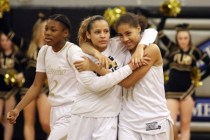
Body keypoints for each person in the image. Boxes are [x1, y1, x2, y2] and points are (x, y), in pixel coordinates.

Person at [67, 14, 158, 140]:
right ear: (88, 35)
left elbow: (150, 31)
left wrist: (140, 47)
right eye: (97, 32)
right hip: (84, 114)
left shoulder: (117, 44)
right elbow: (97, 85)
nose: (103, 35)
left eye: (106, 31)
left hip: (110, 116)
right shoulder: (80, 56)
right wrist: (130, 67)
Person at [157, 19, 210, 140]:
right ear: (177, 39)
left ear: (189, 38)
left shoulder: (196, 51)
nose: (183, 41)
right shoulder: (172, 49)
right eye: (180, 38)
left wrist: (200, 77)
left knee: (185, 126)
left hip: (188, 91)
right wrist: (164, 17)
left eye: (185, 38)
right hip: (171, 91)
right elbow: (160, 32)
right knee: (170, 123)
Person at [19, 15, 51, 140]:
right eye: (45, 29)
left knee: (45, 123)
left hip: (42, 88)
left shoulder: (53, 49)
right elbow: (8, 33)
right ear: (39, 31)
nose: (48, 32)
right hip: (28, 88)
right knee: (29, 123)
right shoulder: (29, 46)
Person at [0, 32, 25, 140]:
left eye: (7, 40)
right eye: (2, 40)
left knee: (8, 118)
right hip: (0, 90)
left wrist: (17, 78)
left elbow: (23, 71)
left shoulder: (17, 56)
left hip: (11, 91)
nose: (5, 43)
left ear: (11, 41)